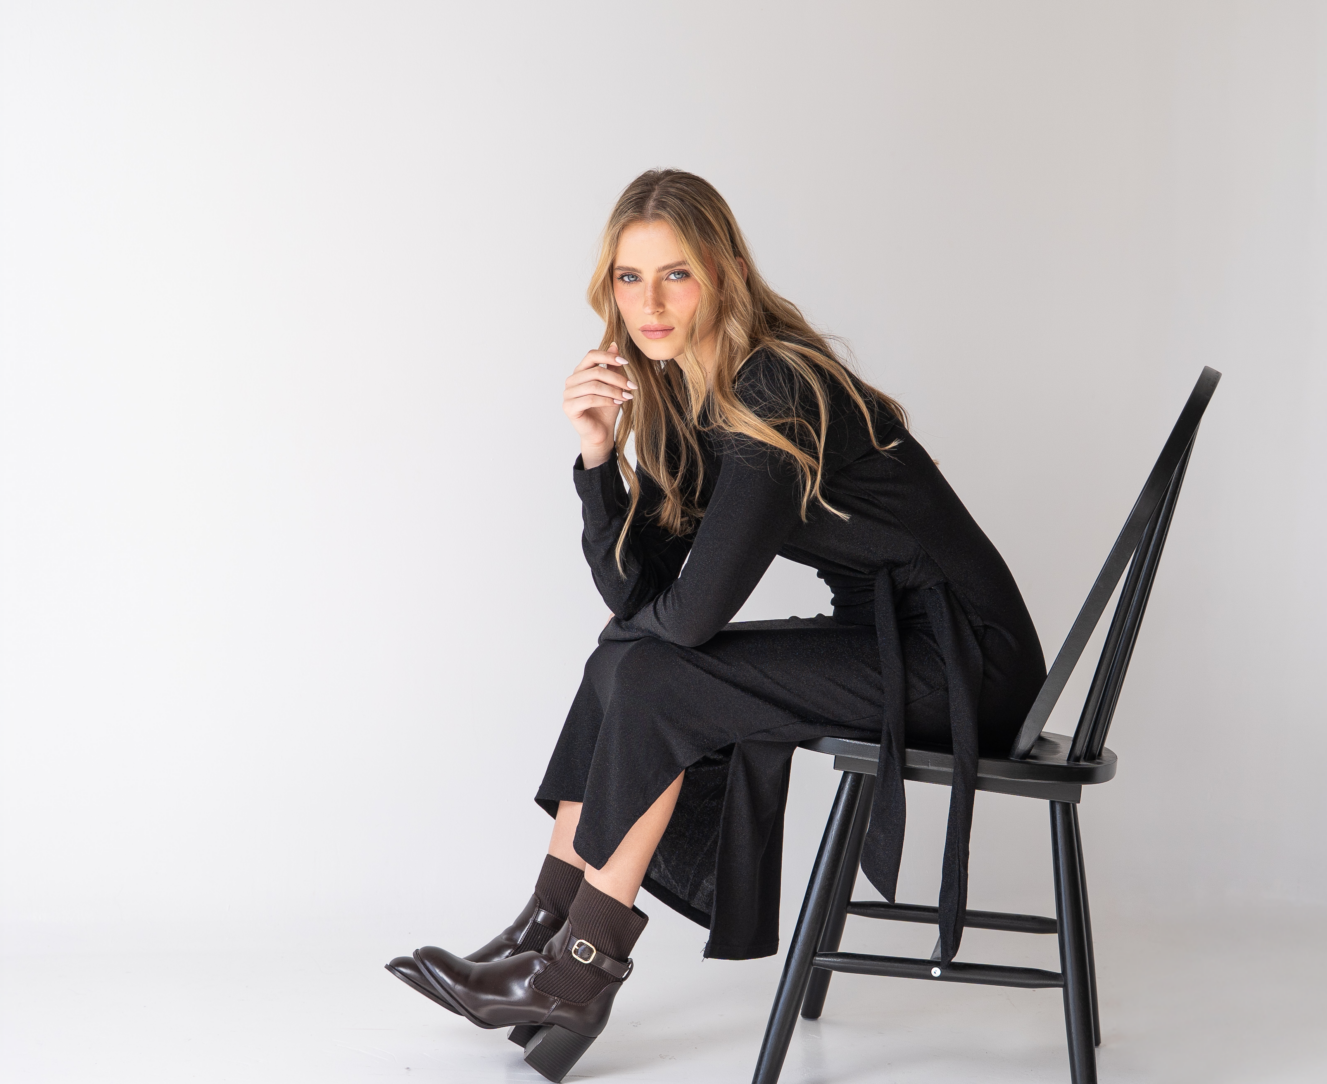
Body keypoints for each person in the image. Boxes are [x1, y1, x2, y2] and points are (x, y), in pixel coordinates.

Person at [385, 170, 1047, 1082]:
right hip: (889, 645)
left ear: (724, 274)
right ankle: (542, 936)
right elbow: (637, 597)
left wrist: (646, 628)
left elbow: (692, 619)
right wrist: (597, 455)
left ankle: (573, 970)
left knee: (656, 672)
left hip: (966, 666)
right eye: (630, 278)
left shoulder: (776, 386)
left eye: (676, 275)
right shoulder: (703, 393)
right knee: (625, 659)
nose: (650, 305)